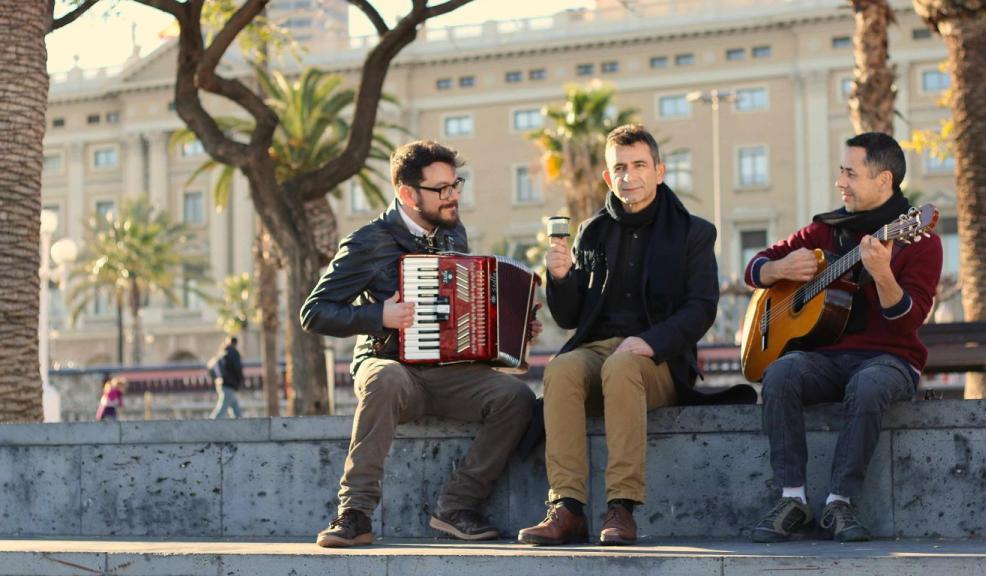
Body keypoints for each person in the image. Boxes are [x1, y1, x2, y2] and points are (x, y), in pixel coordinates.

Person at [518, 124, 753, 547]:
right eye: (620, 168)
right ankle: (567, 507)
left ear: (659, 171)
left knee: (624, 364)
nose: (630, 176)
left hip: (657, 362)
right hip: (597, 351)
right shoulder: (592, 231)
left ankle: (621, 507)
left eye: (639, 165)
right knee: (561, 370)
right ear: (608, 177)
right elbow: (571, 316)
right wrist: (560, 277)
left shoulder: (693, 232)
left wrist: (653, 342)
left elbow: (702, 308)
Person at [301, 140, 538, 548]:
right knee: (385, 379)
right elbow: (315, 312)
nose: (453, 196)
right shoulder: (368, 242)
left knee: (516, 397)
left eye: (455, 185)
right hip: (388, 364)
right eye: (441, 189)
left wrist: (506, 330)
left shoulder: (453, 234)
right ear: (408, 194)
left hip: (448, 374)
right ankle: (354, 514)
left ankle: (456, 507)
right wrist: (378, 316)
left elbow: (457, 313)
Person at [745, 132, 942, 543]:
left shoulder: (919, 240)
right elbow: (754, 268)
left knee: (868, 384)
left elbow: (908, 322)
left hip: (889, 359)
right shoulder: (824, 231)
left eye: (850, 173)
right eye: (841, 171)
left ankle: (840, 502)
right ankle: (792, 499)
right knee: (781, 374)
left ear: (884, 180)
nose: (841, 182)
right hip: (826, 361)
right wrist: (778, 270)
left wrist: (884, 274)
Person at [209, 336, 245, 419]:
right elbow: (237, 368)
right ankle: (210, 424)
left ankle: (241, 423)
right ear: (235, 343)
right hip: (229, 384)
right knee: (222, 409)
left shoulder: (223, 352)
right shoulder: (234, 353)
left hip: (222, 383)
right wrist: (240, 380)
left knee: (235, 408)